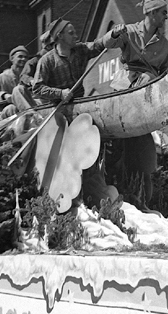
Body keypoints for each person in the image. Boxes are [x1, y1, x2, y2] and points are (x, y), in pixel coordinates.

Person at [32, 17, 120, 208]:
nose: (76, 35)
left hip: (81, 108)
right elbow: (37, 88)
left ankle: (94, 193)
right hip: (59, 113)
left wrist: (113, 34)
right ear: (59, 36)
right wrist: (60, 93)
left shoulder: (80, 50)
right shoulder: (47, 61)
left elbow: (98, 45)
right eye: (71, 33)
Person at [100, 0, 168, 209]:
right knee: (114, 153)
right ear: (151, 12)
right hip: (122, 96)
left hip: (142, 104)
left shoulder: (165, 45)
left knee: (142, 156)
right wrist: (113, 33)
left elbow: (166, 77)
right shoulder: (129, 32)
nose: (166, 16)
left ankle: (140, 201)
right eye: (162, 12)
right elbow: (104, 44)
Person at [12, 31, 54, 111]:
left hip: (59, 99)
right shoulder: (35, 61)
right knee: (18, 90)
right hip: (40, 101)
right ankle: (34, 117)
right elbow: (24, 76)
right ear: (48, 47)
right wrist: (32, 81)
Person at [0, 45, 28, 124]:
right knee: (11, 108)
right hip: (3, 115)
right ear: (12, 58)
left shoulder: (29, 78)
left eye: (26, 57)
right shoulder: (1, 77)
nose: (23, 59)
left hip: (25, 112)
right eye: (20, 56)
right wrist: (4, 96)